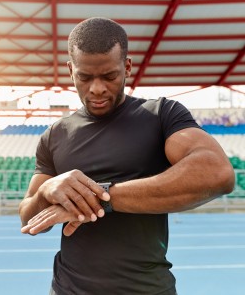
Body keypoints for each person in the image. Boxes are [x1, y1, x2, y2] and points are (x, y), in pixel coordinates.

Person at [19, 17, 235, 295]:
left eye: (109, 76)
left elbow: (216, 173)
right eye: (84, 77)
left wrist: (99, 198)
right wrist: (46, 192)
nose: (97, 88)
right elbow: (28, 220)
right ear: (71, 70)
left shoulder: (161, 115)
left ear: (127, 67)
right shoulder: (55, 134)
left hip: (147, 289)